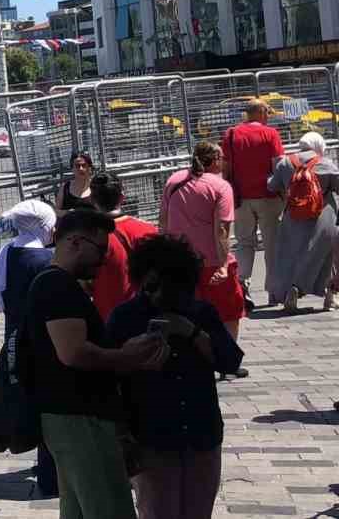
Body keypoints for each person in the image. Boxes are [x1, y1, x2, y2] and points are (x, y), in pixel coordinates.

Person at [27, 209, 167, 519]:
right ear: (75, 242)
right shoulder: (57, 286)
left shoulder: (58, 284)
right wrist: (126, 357)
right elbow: (74, 353)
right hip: (80, 419)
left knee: (80, 510)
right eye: (100, 250)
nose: (103, 259)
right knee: (109, 509)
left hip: (72, 417)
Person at [107, 234, 242, 519]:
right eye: (153, 285)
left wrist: (190, 331)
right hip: (151, 438)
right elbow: (106, 378)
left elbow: (229, 360)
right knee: (157, 511)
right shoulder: (126, 316)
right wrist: (130, 356)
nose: (159, 295)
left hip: (200, 434)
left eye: (171, 286)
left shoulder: (199, 311)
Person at [0, 200, 60, 496]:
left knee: (29, 397)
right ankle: (50, 473)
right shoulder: (49, 259)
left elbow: (0, 299)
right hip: (44, 340)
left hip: (14, 337)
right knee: (50, 401)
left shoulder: (6, 252)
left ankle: (41, 462)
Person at [159, 142, 247, 341]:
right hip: (212, 262)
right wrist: (224, 265)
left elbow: (163, 221)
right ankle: (227, 360)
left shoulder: (173, 180)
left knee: (186, 313)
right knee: (229, 313)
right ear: (215, 160)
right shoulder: (221, 186)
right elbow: (222, 231)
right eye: (222, 158)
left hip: (180, 262)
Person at [221, 98, 287, 307]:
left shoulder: (231, 134)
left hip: (241, 198)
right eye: (267, 111)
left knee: (244, 243)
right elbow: (278, 167)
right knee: (272, 245)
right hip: (268, 197)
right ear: (259, 112)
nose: (268, 115)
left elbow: (226, 168)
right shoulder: (271, 134)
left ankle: (242, 286)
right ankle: (274, 291)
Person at [265, 131, 339, 313]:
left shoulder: (285, 163)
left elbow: (272, 185)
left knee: (290, 255)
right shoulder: (326, 163)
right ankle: (330, 297)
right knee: (325, 256)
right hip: (323, 216)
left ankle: (292, 289)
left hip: (293, 215)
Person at [88, 172, 161, 321]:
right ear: (122, 196)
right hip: (147, 316)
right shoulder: (148, 229)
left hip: (107, 320)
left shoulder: (88, 237)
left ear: (92, 200)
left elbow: (85, 284)